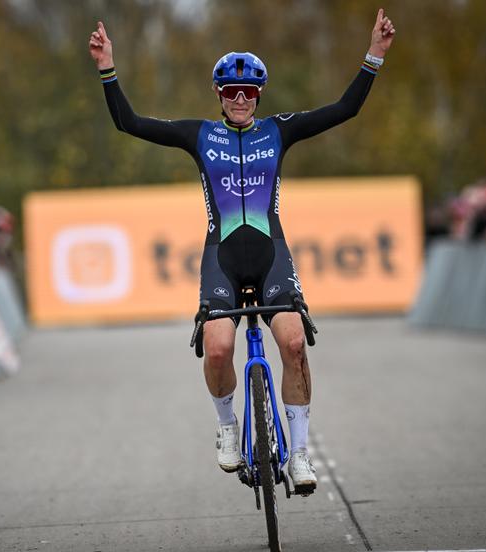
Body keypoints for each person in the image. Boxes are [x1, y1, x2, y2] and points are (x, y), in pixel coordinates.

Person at [89, 9, 395, 494]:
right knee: (217, 348)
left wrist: (374, 55)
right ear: (218, 93)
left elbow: (345, 109)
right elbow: (129, 122)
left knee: (293, 344)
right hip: (223, 258)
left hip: (271, 254)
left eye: (248, 92)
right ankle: (227, 425)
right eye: (231, 91)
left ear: (259, 95)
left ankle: (299, 453)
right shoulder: (199, 135)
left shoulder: (279, 130)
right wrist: (107, 67)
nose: (239, 99)